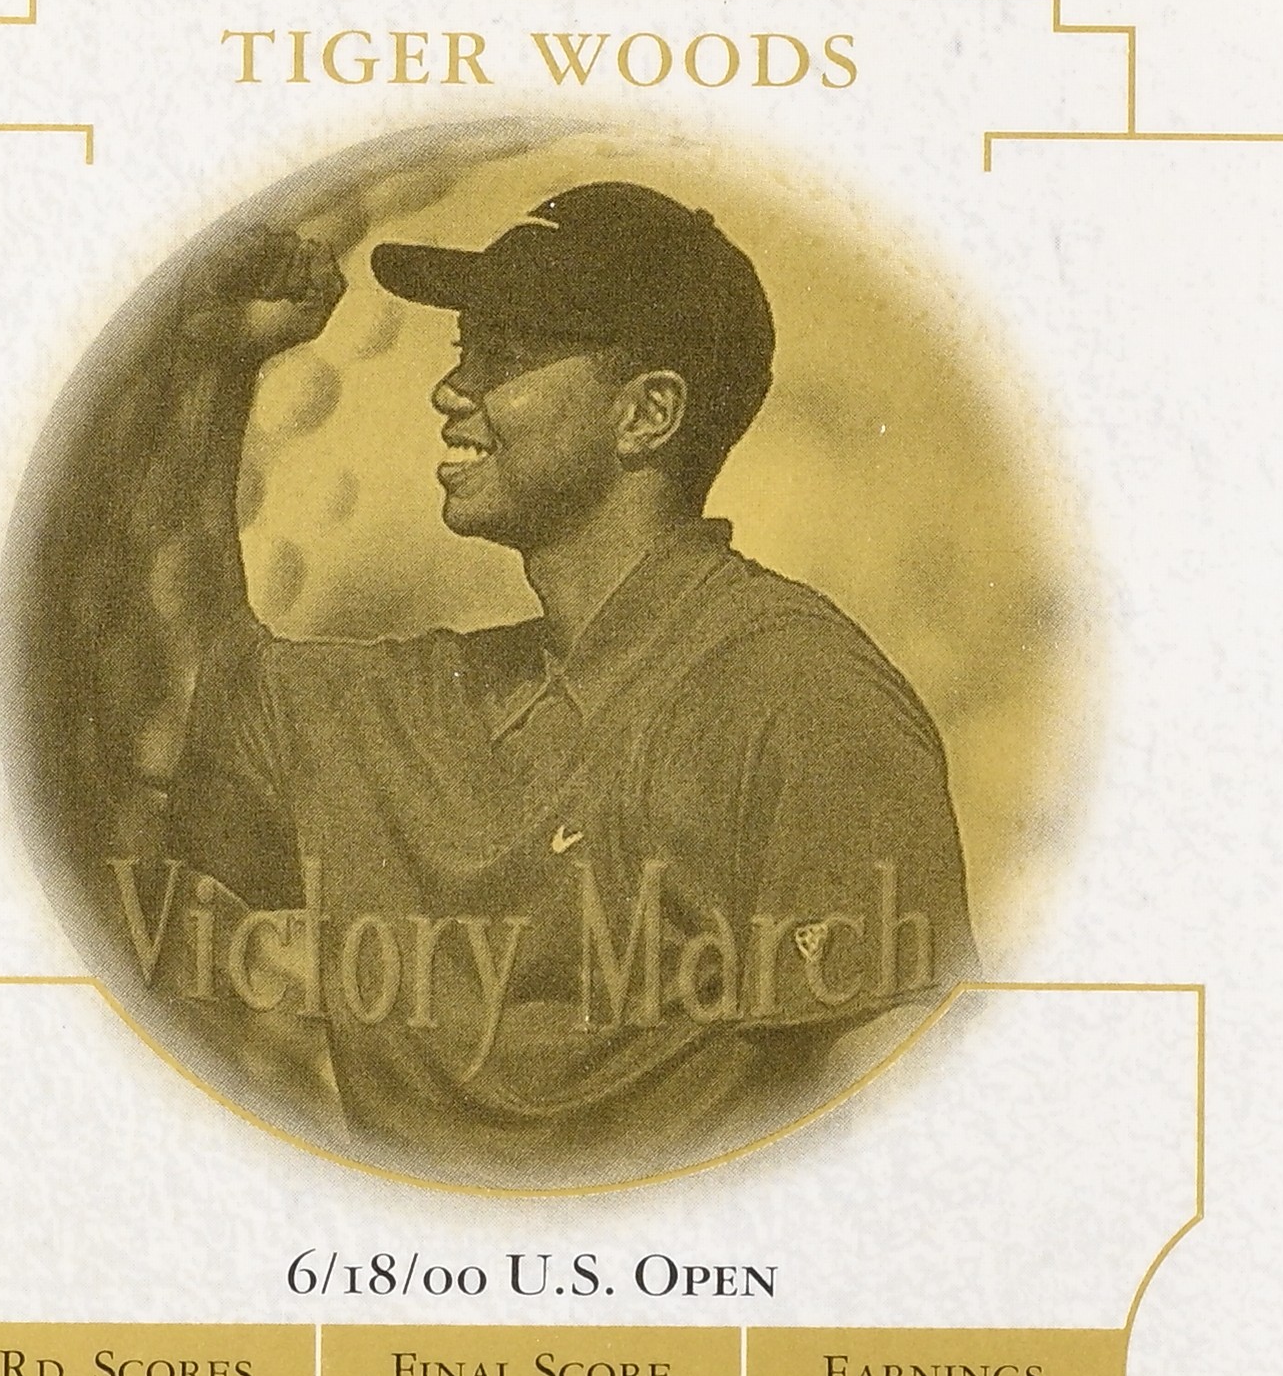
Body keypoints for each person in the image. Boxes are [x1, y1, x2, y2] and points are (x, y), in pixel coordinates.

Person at [108, 180, 975, 1176]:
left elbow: (911, 1118)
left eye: (505, 356)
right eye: (462, 350)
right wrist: (214, 365)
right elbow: (172, 716)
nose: (452, 390)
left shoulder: (800, 695)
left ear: (646, 414)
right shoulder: (430, 698)